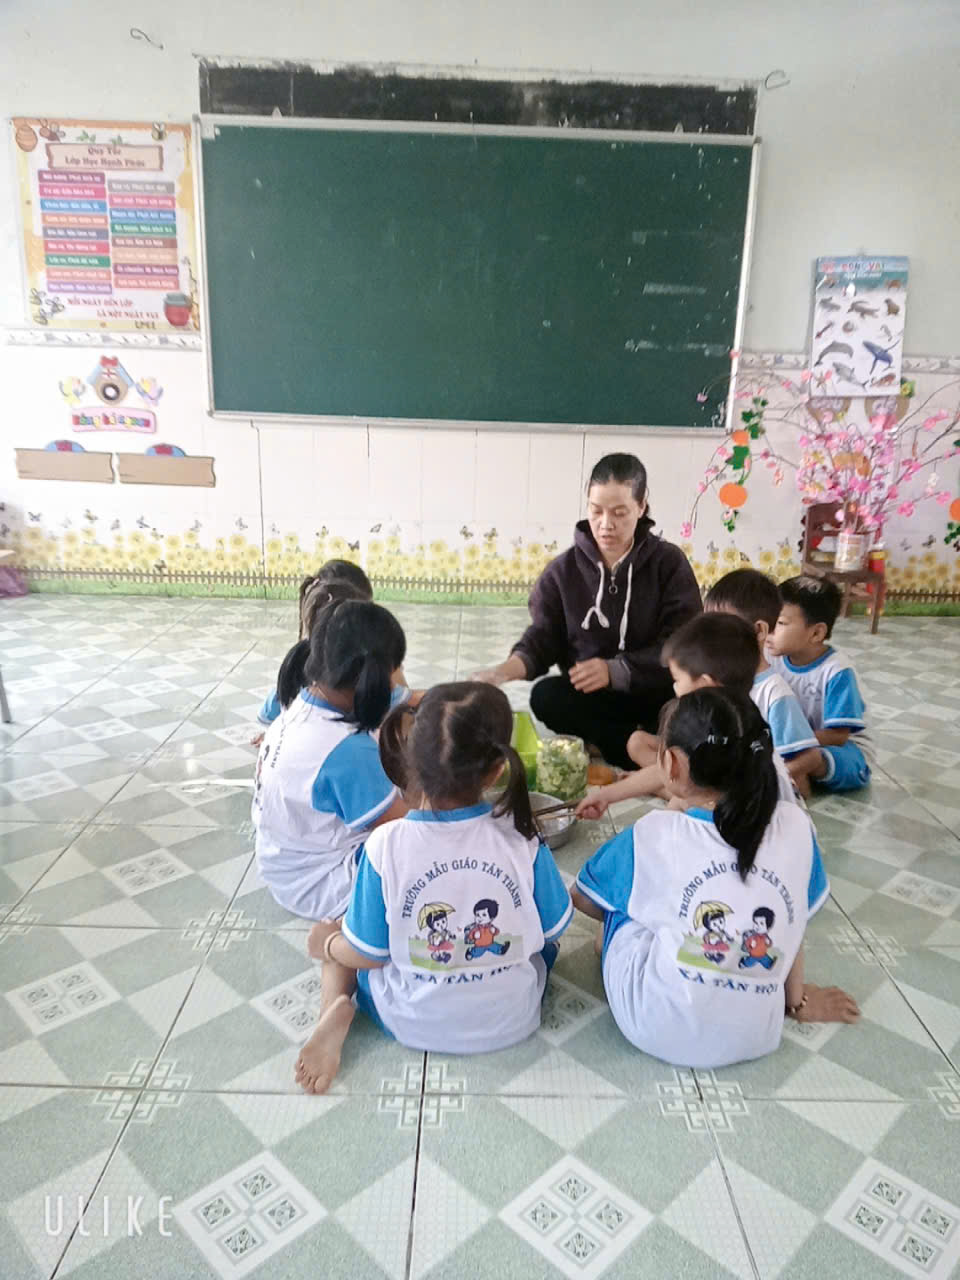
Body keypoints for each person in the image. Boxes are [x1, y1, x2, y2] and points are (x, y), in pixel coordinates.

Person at [293, 682, 573, 1094]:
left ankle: (332, 1012)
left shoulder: (385, 845)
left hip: (408, 1019)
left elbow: (369, 955)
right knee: (543, 946)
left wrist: (328, 945)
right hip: (513, 1019)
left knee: (342, 936)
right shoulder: (522, 836)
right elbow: (553, 929)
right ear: (497, 770)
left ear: (412, 759)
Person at [572, 687, 860, 1070]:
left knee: (619, 905)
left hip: (653, 1025)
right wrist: (796, 1001)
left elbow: (584, 899)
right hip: (758, 1033)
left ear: (671, 764)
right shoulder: (797, 827)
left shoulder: (656, 832)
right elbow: (796, 921)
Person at [473, 453, 702, 768]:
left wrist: (615, 670)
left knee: (694, 706)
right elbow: (543, 638)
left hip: (655, 691)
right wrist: (500, 672)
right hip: (594, 699)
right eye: (596, 511)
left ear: (641, 507)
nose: (606, 524)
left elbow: (684, 642)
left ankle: (616, 743)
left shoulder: (669, 564)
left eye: (619, 513)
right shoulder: (563, 571)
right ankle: (635, 746)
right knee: (546, 696)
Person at [252, 600, 409, 924]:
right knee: (435, 848)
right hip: (323, 882)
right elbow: (406, 828)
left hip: (283, 865)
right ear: (374, 677)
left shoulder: (300, 707)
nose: (395, 685)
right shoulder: (347, 751)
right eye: (393, 672)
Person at [576, 612, 802, 816]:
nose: (674, 688)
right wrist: (608, 795)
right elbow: (663, 770)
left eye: (677, 679)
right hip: (790, 832)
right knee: (682, 796)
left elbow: (668, 771)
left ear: (705, 685)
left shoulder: (724, 739)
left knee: (681, 801)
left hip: (754, 835)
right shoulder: (738, 720)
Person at [704, 569, 822, 795]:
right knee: (641, 744)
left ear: (759, 630)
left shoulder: (773, 692)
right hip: (732, 773)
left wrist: (768, 777)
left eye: (720, 626)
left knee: (684, 793)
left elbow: (811, 757)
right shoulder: (721, 682)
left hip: (759, 787)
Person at [768, 576, 871, 792]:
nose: (769, 630)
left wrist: (792, 743)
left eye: (780, 623)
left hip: (842, 748)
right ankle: (794, 771)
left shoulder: (837, 671)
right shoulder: (771, 658)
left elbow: (838, 735)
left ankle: (800, 769)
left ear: (816, 633)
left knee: (818, 756)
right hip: (795, 741)